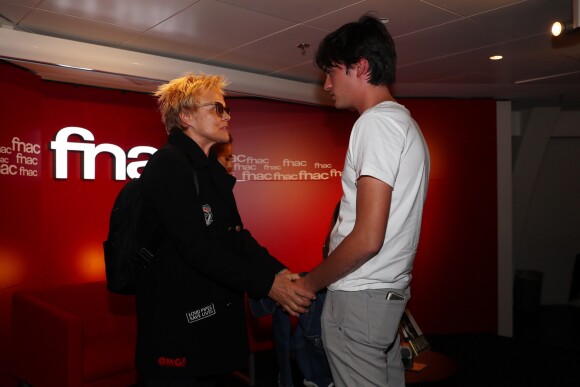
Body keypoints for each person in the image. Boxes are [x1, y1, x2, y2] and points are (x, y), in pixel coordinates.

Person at [135, 73, 314, 387]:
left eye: (225, 109)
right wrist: (267, 286)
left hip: (211, 333)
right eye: (216, 109)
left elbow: (236, 237)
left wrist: (280, 273)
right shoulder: (167, 165)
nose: (227, 116)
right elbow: (197, 248)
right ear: (186, 116)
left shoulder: (209, 172)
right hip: (178, 335)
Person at [294, 15, 430, 387]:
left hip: (359, 298)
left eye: (331, 72)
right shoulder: (404, 123)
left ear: (361, 67)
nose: (326, 84)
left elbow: (369, 236)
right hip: (381, 297)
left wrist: (309, 286)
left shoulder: (375, 124)